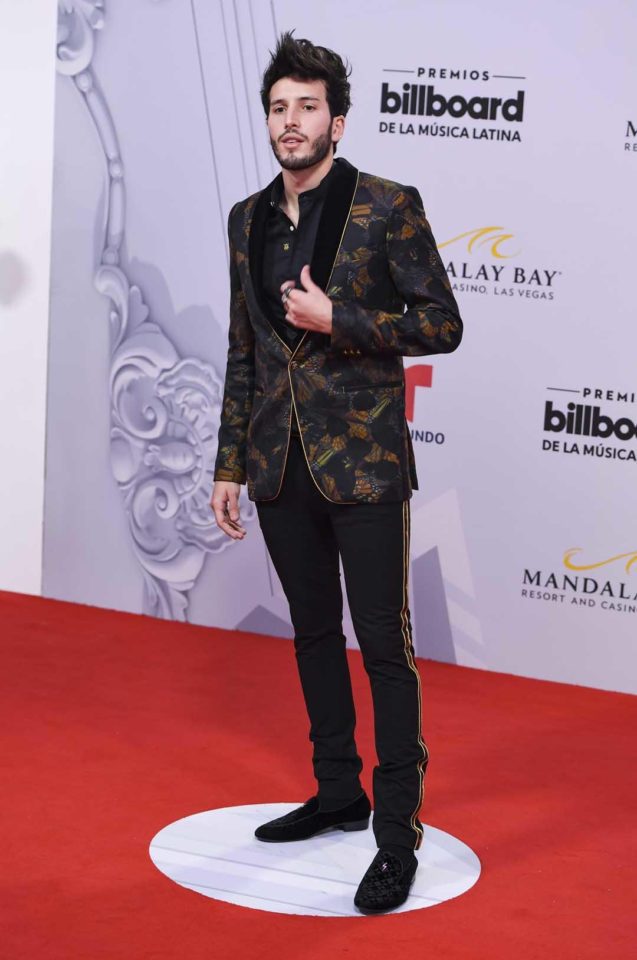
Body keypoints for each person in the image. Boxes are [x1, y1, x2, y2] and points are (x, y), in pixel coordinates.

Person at [210, 31, 463, 914]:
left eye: (307, 107)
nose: (291, 122)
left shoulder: (388, 206)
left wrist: (338, 317)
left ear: (337, 122)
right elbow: (244, 349)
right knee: (313, 634)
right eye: (279, 108)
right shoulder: (246, 218)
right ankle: (336, 792)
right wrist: (230, 463)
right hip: (279, 464)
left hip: (364, 467)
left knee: (384, 649)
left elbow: (441, 324)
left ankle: (396, 836)